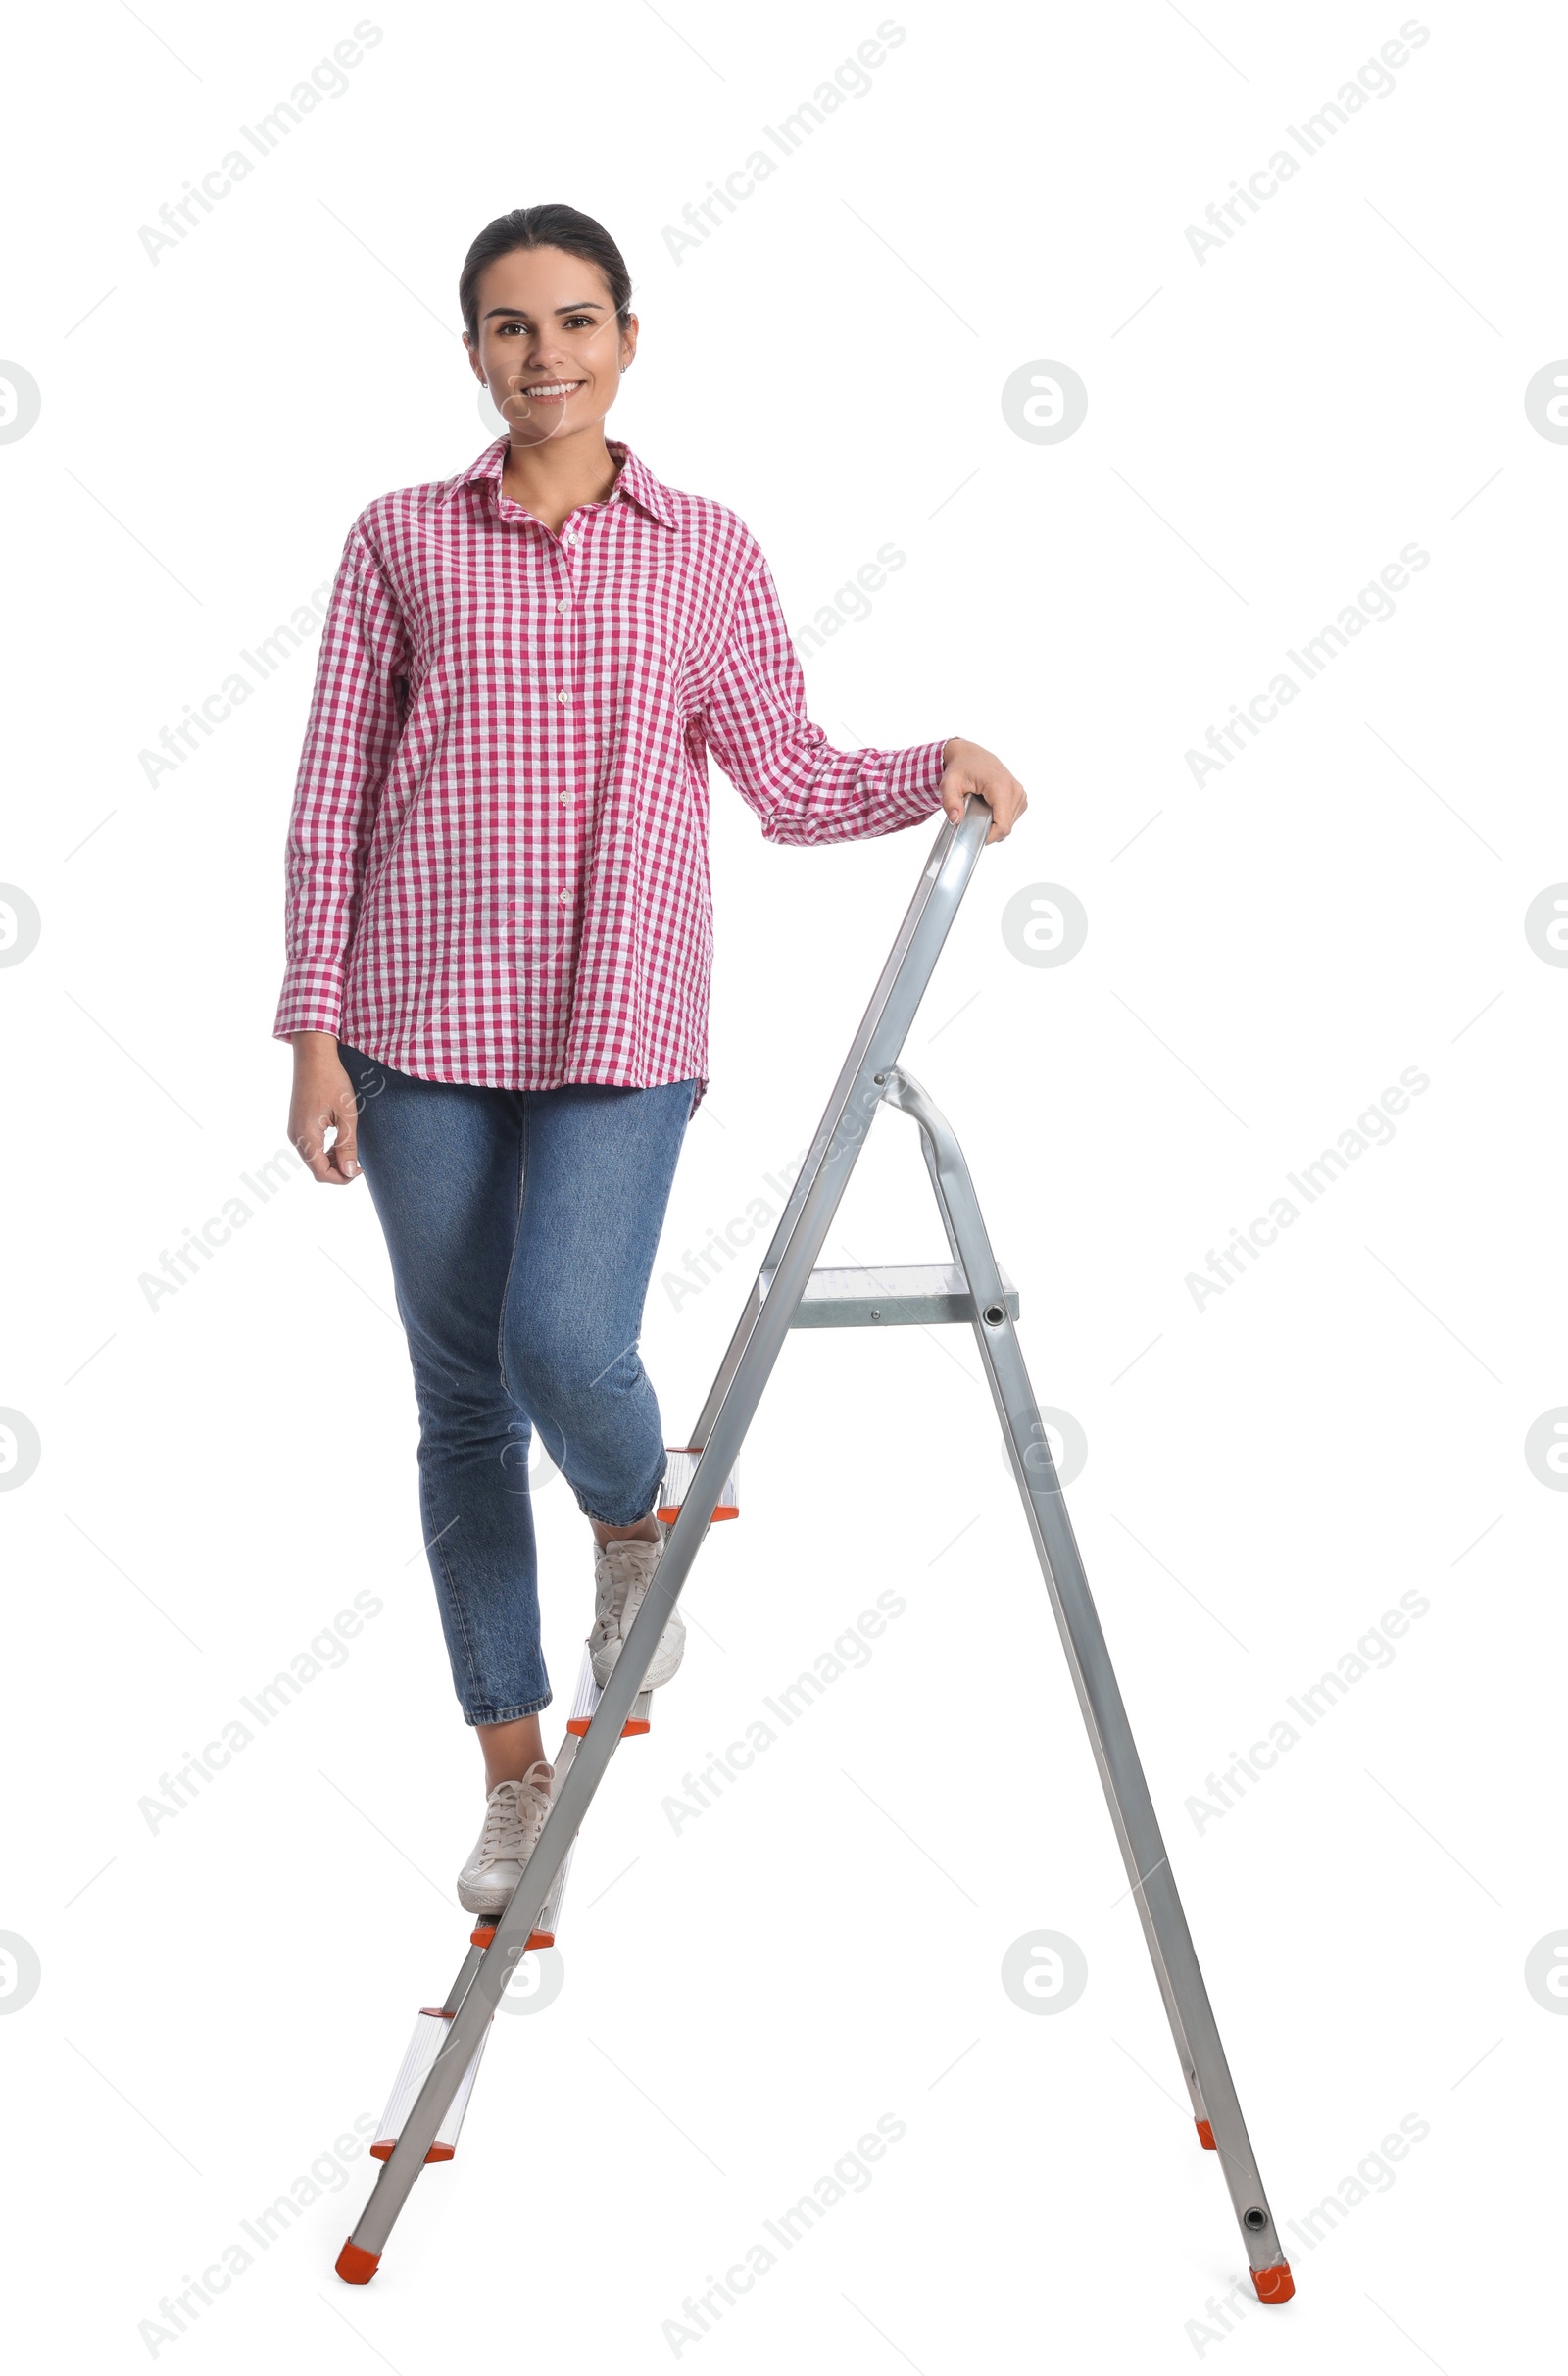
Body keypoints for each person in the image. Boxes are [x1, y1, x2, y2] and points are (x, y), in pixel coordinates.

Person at [273, 203, 1027, 1918]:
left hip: (622, 1012)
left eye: (576, 322)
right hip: (414, 1028)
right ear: (470, 351)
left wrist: (932, 767)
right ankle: (514, 1777)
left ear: (628, 339)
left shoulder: (705, 547)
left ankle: (638, 1522)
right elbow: (329, 796)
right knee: (461, 1401)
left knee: (564, 1342)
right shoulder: (400, 538)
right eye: (511, 328)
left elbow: (784, 774)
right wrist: (312, 1031)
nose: (545, 356)